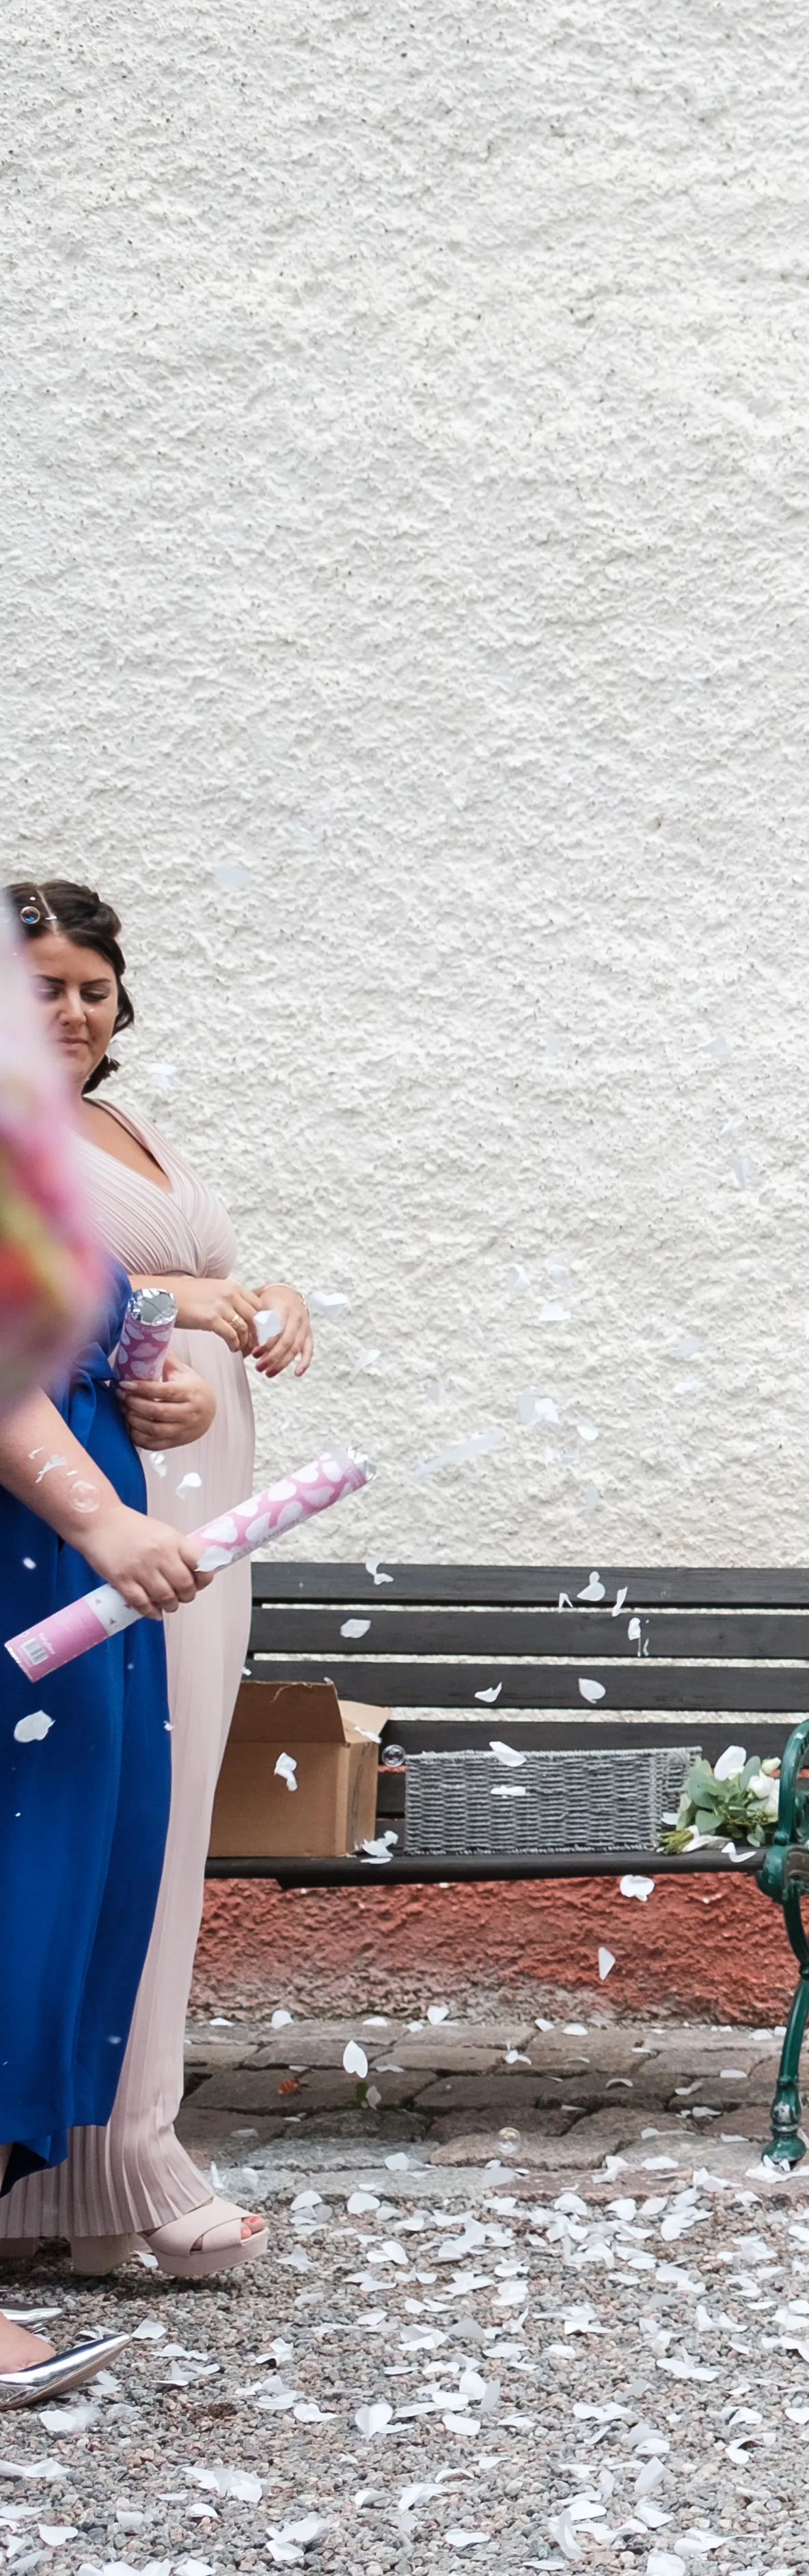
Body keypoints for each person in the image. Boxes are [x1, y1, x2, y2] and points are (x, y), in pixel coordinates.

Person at [0, 885, 307, 2282]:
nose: (72, 1009)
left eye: (93, 986)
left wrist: (257, 1309)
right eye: (41, 985)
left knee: (153, 1825)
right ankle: (104, 2158)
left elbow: (126, 1300)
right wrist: (175, 1313)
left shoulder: (120, 1125)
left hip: (182, 1487)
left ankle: (106, 2161)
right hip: (91, 1509)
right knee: (90, 1814)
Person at [0, 1265, 213, 2383]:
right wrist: (100, 1517)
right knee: (18, 1895)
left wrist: (170, 1401)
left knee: (55, 1895)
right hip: (36, 1550)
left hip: (70, 1571)